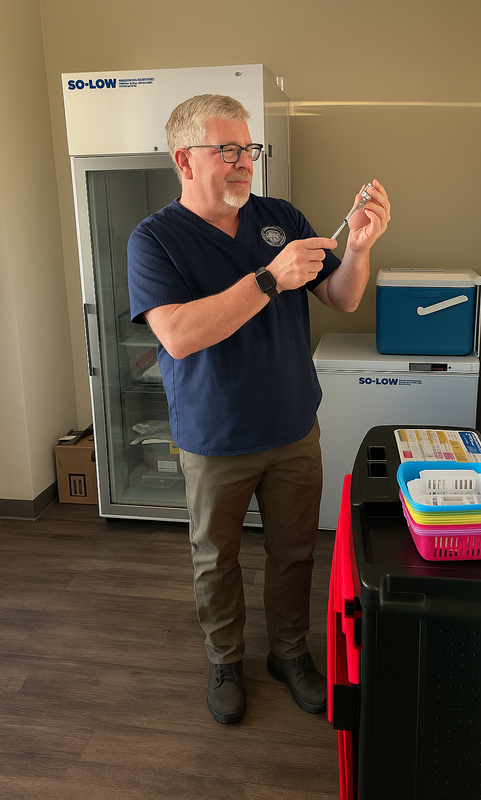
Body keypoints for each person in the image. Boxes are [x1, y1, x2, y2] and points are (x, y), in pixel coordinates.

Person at [127, 94, 390, 725]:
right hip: (214, 436)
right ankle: (224, 658)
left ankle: (290, 653)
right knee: (215, 558)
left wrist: (357, 248)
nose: (244, 163)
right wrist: (269, 279)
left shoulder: (280, 217)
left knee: (295, 551)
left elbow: (342, 298)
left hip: (294, 426)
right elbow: (180, 335)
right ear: (183, 159)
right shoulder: (155, 240)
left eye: (249, 148)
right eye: (227, 150)